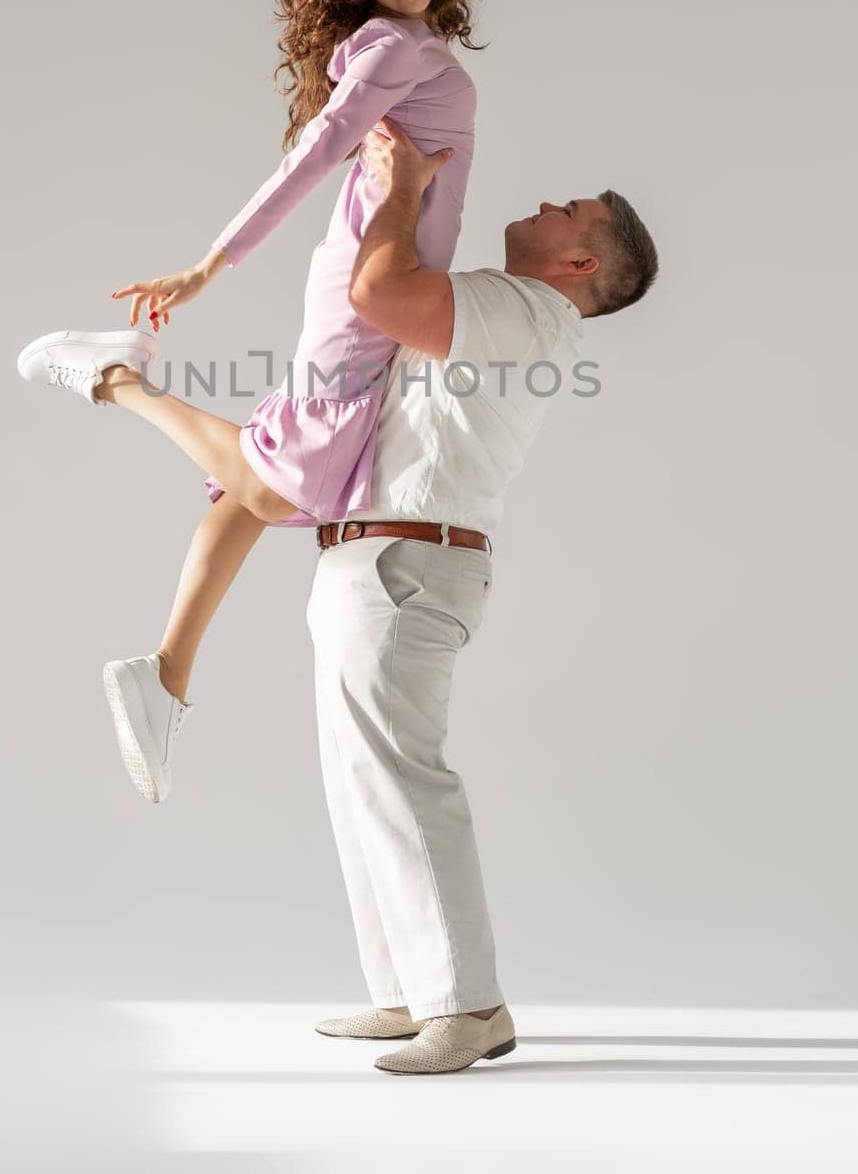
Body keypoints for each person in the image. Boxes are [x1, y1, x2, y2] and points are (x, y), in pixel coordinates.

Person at [16, 0, 487, 792]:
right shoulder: (386, 55)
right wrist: (206, 265)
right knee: (284, 480)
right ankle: (114, 379)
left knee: (256, 490)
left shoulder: (408, 32)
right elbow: (313, 153)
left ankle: (165, 671)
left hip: (371, 274)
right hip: (368, 289)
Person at [306, 115, 659, 1072]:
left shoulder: (527, 309)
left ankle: (468, 1008)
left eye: (568, 212)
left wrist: (400, 186)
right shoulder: (509, 310)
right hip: (379, 558)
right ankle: (409, 994)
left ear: (582, 264)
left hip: (406, 565)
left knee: (401, 776)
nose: (545, 203)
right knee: (359, 778)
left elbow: (376, 292)